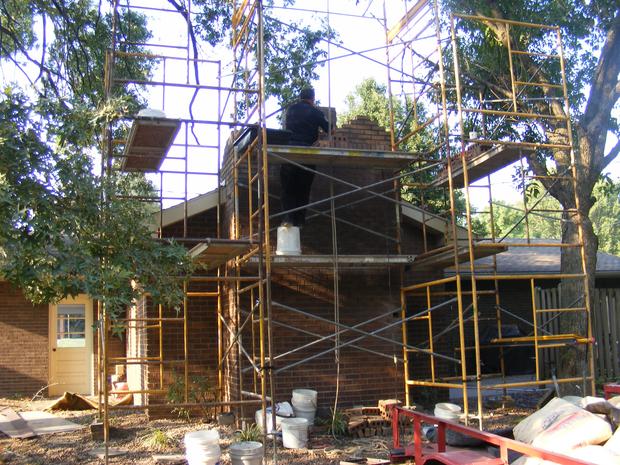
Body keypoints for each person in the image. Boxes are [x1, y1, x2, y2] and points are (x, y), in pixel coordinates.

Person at [280, 87, 330, 227]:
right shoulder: (315, 112)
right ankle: (299, 221)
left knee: (288, 188)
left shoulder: (290, 110)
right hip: (307, 155)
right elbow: (331, 129)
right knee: (303, 189)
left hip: (289, 154)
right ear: (312, 99)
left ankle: (288, 218)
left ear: (300, 97)